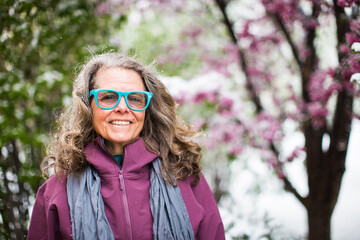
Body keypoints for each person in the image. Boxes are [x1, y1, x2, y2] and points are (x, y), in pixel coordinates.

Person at [27, 53, 225, 240]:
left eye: (135, 98)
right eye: (108, 97)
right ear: (88, 106)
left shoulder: (185, 176)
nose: (123, 107)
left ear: (148, 109)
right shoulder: (57, 189)